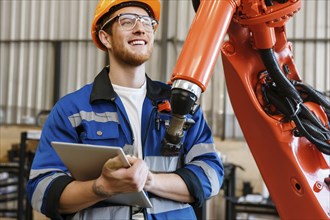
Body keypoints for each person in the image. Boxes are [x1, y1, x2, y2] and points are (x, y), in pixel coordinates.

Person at [27, 0, 224, 219]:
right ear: (105, 37)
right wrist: (100, 187)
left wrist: (149, 180)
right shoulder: (72, 110)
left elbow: (211, 175)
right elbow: (41, 190)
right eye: (127, 21)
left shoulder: (180, 105)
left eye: (147, 22)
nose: (140, 28)